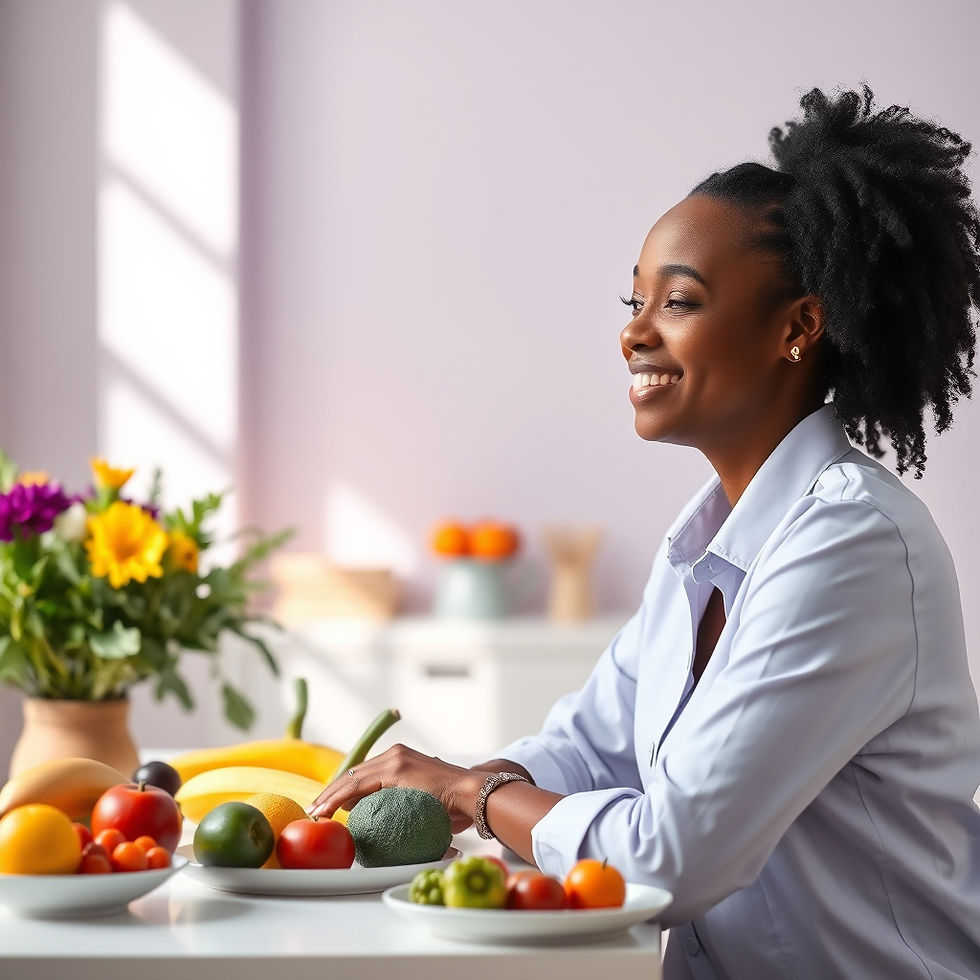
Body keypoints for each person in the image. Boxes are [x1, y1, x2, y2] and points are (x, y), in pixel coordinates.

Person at [310, 83, 980, 979]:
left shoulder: (850, 547)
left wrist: (474, 791)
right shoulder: (703, 544)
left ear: (797, 328)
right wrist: (443, 790)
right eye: (633, 301)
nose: (634, 333)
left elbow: (671, 859)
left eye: (679, 302)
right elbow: (592, 745)